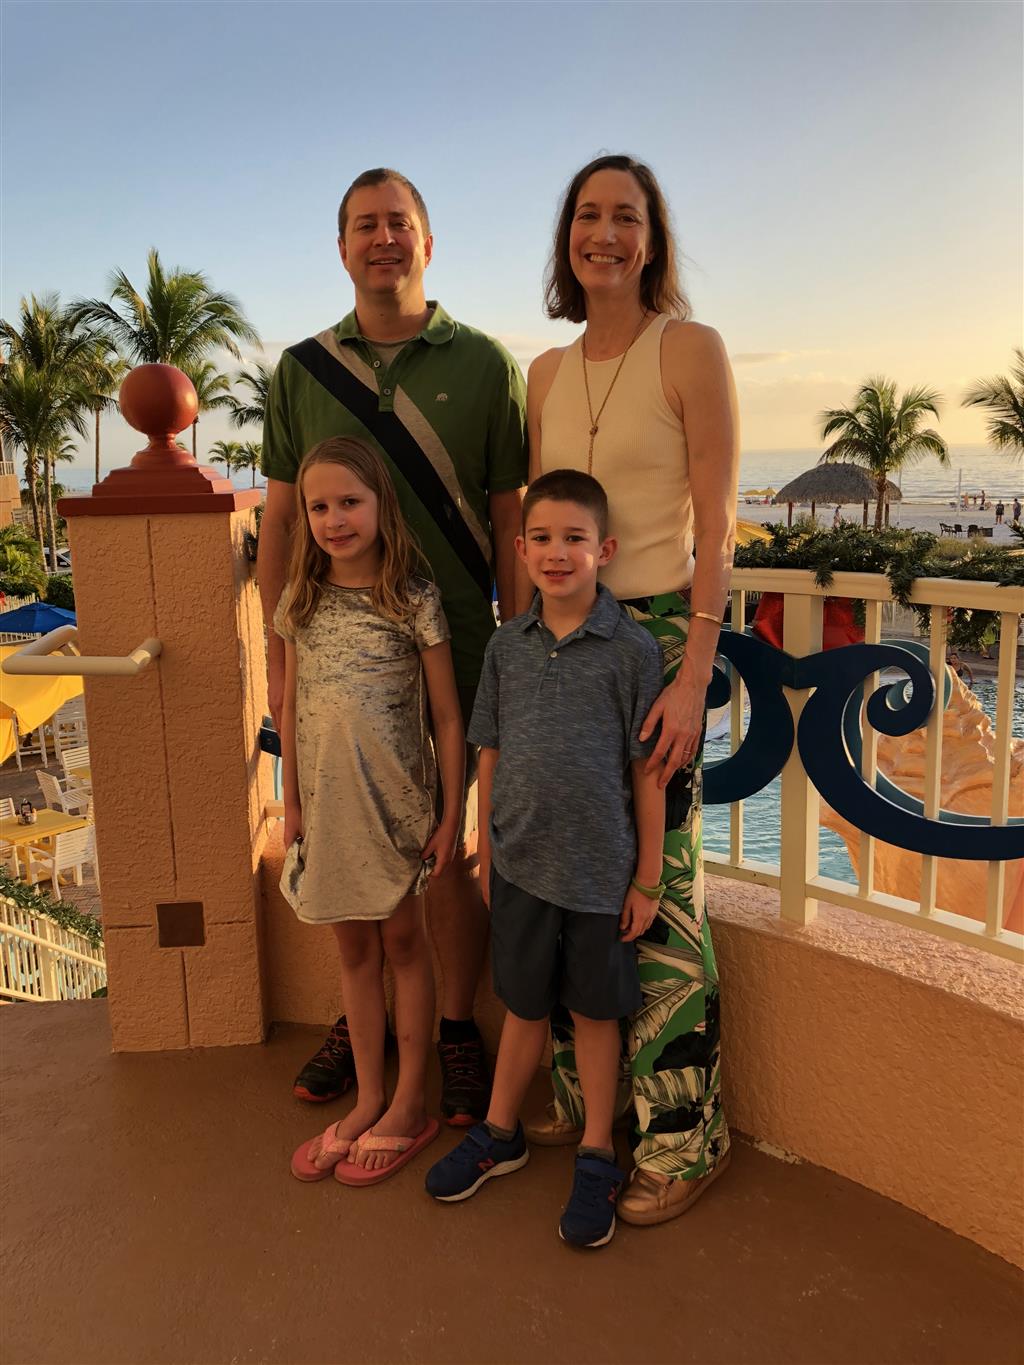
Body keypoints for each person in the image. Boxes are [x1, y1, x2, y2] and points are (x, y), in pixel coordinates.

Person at [259, 168, 528, 1123]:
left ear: (427, 242)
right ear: (341, 248)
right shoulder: (300, 371)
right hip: (337, 660)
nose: (384, 239)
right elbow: (279, 524)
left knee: (443, 849)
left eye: (399, 223)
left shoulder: (488, 366)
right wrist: (279, 666)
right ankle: (362, 1020)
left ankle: (452, 1026)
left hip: (456, 645)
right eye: (365, 225)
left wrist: (519, 650)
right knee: (351, 836)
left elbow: (510, 522)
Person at [524, 153, 739, 1225]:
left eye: (626, 216)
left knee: (664, 892)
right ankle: (587, 1100)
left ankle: (686, 1139)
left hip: (656, 641)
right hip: (564, 636)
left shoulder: (689, 349)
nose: (603, 232)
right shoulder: (544, 373)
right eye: (587, 214)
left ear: (652, 240)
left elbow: (718, 523)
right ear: (566, 237)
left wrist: (694, 671)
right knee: (572, 875)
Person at [424, 470, 666, 1247]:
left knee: (595, 1015)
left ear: (605, 549)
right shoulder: (507, 646)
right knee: (524, 1004)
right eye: (542, 538)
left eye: (574, 538)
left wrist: (649, 877)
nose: (557, 553)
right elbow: (489, 750)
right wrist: (486, 847)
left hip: (599, 876)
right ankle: (501, 1131)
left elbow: (646, 774)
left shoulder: (631, 651)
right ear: (521, 550)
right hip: (520, 865)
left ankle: (597, 1151)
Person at [283, 438, 464, 1185]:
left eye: (349, 502)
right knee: (353, 953)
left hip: (397, 812)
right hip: (328, 814)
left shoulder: (412, 599)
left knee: (404, 945)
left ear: (381, 504)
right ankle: (369, 1097)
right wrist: (291, 802)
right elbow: (290, 708)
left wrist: (451, 816)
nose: (334, 519)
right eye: (319, 506)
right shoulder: (299, 602)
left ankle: (411, 1101)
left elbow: (447, 717)